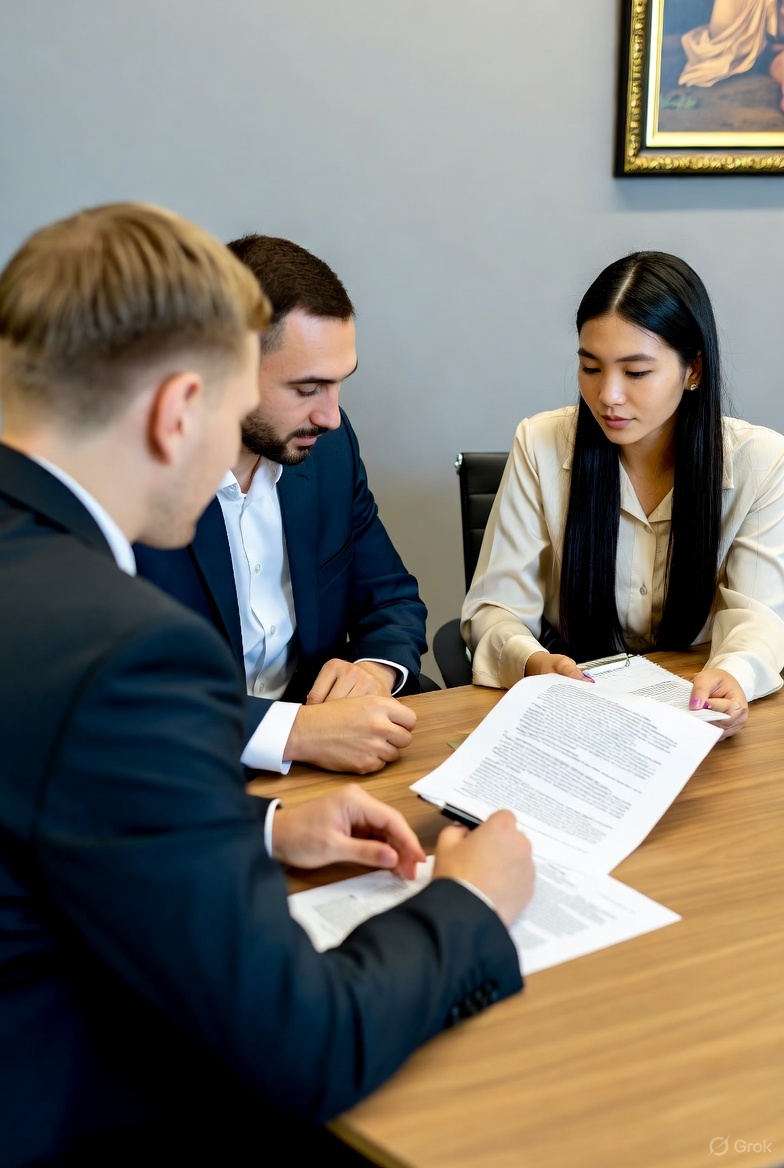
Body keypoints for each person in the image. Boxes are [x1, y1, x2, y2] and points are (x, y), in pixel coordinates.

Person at [0, 203, 535, 1165]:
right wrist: (470, 902)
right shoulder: (120, 649)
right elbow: (307, 1043)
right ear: (178, 412)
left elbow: (46, 810)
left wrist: (259, 827)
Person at [462, 250, 784, 739]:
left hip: (696, 715)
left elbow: (757, 618)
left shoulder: (761, 461)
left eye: (635, 373)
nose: (608, 395)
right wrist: (531, 661)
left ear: (693, 368)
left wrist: (735, 676)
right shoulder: (540, 442)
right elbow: (495, 609)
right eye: (591, 368)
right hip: (575, 709)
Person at [136, 235, 426, 776]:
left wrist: (373, 669)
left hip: (329, 758)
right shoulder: (129, 482)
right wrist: (294, 732)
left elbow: (392, 598)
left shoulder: (329, 451)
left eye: (340, 384)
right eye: (308, 388)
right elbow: (120, 695)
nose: (332, 417)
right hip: (179, 776)